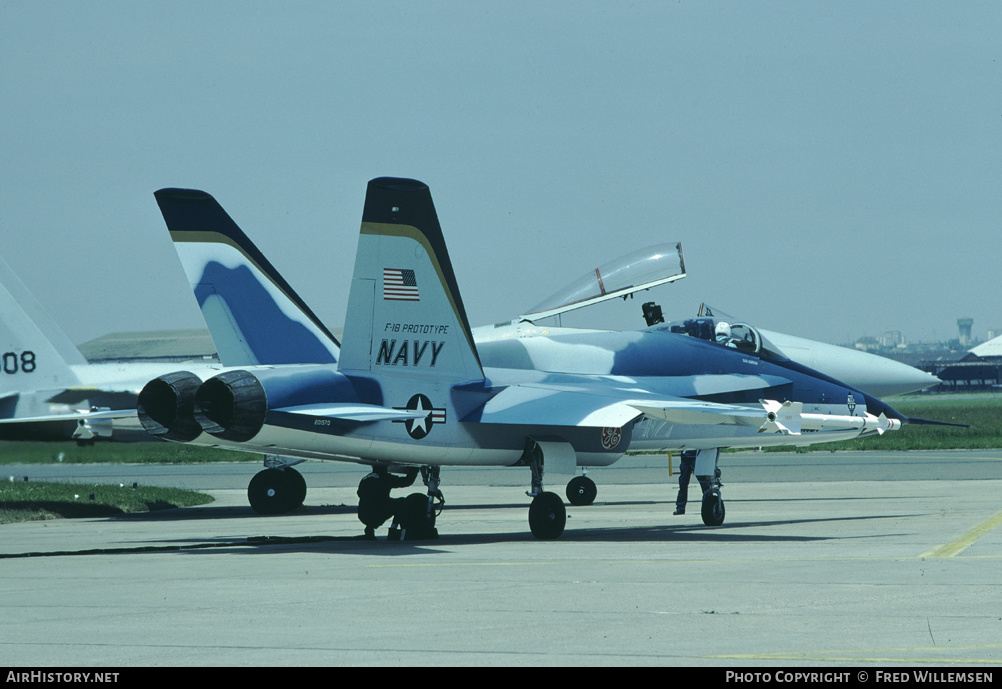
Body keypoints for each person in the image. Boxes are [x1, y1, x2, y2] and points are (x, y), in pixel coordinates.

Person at [357, 465, 419, 538]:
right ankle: (393, 528)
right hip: (376, 513)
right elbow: (407, 481)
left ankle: (370, 527)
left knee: (378, 503)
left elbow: (359, 493)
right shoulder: (385, 477)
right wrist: (414, 470)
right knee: (401, 502)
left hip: (362, 514)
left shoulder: (365, 478)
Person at [674, 450, 711, 515]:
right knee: (683, 483)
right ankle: (680, 507)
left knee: (703, 482)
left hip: (695, 457)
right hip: (685, 457)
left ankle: (708, 504)